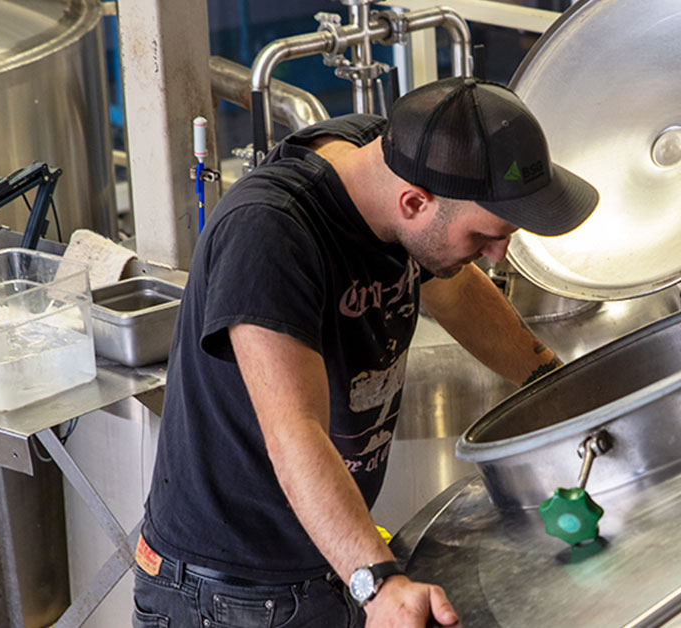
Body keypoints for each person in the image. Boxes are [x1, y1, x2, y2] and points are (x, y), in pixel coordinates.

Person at [132, 77, 598, 628]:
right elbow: (293, 433)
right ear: (414, 203)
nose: (497, 257)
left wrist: (552, 386)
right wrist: (376, 583)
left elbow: (450, 285)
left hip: (329, 558)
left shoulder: (388, 161)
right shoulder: (269, 235)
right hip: (227, 594)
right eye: (483, 238)